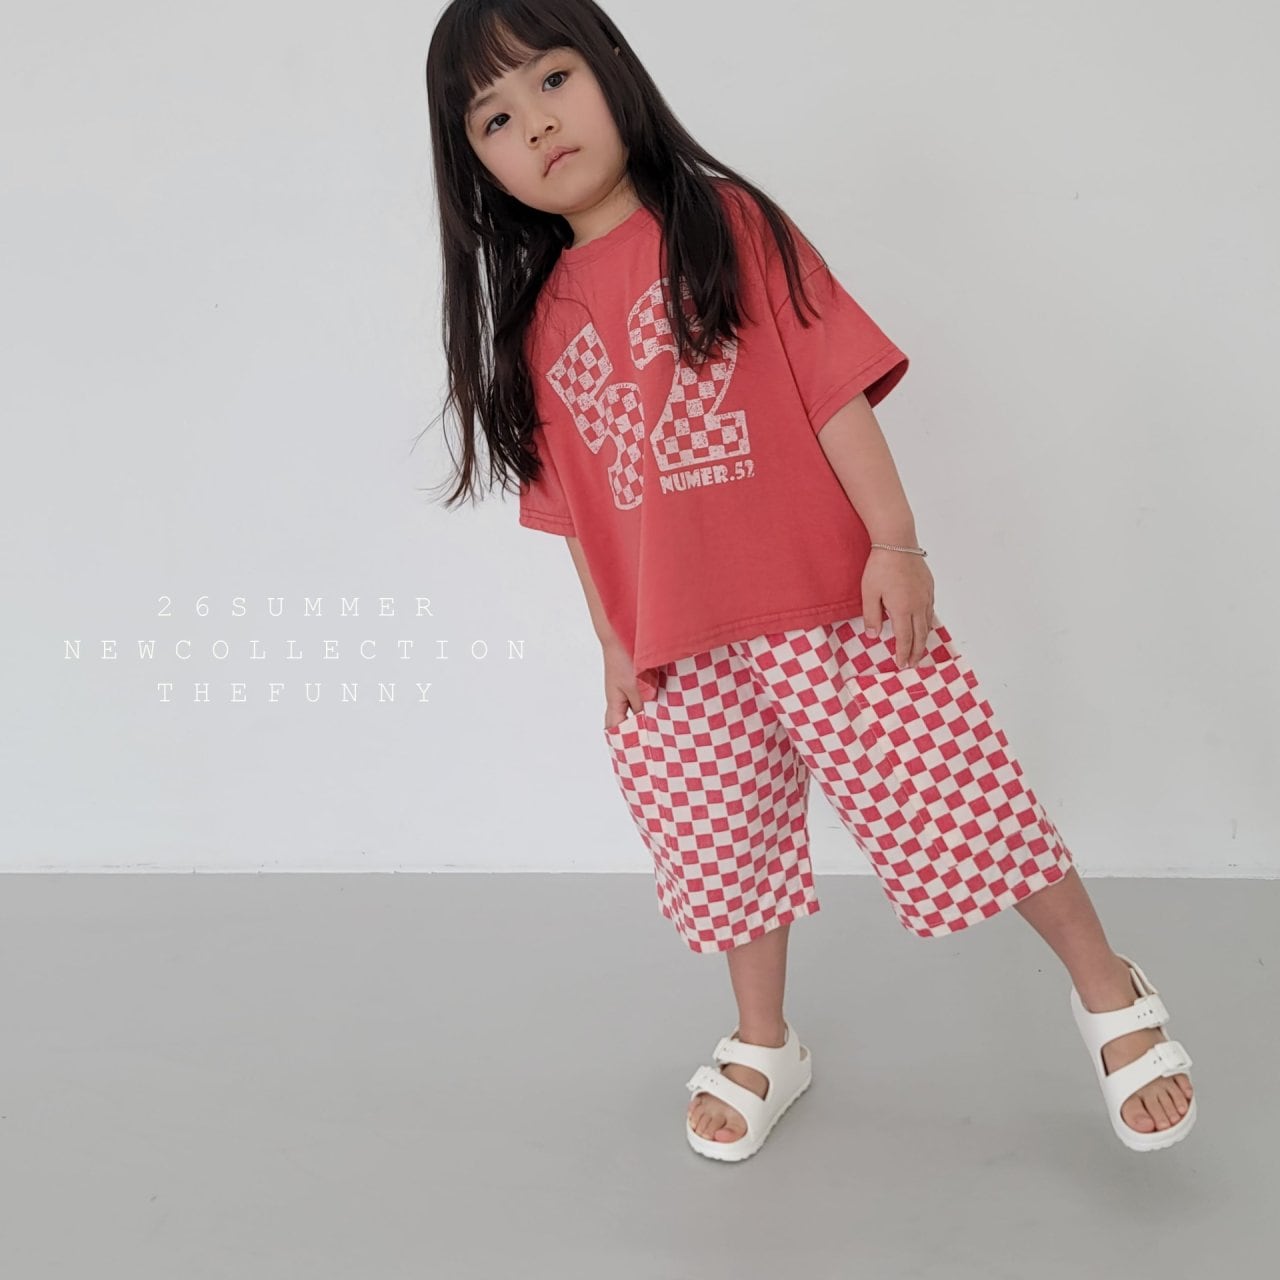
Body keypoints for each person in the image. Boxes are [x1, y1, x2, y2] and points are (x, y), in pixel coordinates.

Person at [422, 0, 1196, 1160]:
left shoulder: (721, 223)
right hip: (676, 645)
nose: (534, 123)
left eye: (552, 78)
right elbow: (579, 510)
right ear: (472, 164)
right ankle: (764, 1036)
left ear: (613, 70)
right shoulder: (535, 326)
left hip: (826, 604)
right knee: (723, 847)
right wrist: (612, 640)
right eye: (492, 117)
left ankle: (1103, 982)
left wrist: (895, 540)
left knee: (956, 795)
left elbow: (828, 384)